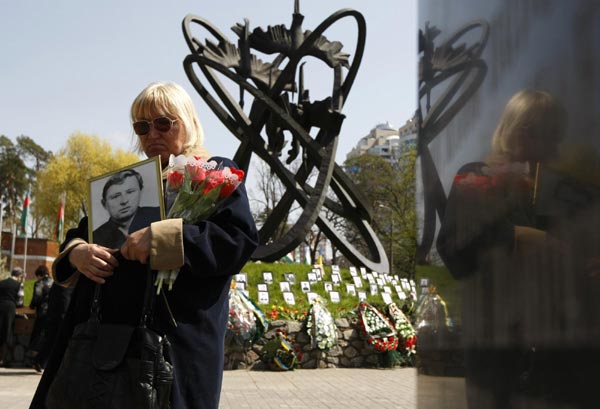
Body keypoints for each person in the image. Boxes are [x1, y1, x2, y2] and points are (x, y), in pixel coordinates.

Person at [29, 81, 259, 409]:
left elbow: (237, 240)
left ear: (189, 122)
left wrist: (165, 239)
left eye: (164, 122)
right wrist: (79, 253)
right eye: (142, 126)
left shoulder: (212, 173)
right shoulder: (123, 183)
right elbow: (77, 236)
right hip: (101, 347)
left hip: (173, 349)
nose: (152, 133)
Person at [436, 89, 570, 407]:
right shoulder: (477, 175)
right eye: (551, 138)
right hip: (497, 349)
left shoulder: (544, 189)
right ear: (525, 132)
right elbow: (456, 247)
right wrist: (520, 237)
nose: (555, 150)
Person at [93, 168, 160, 248]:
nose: (124, 201)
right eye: (115, 196)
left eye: (130, 192)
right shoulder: (96, 238)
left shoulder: (159, 215)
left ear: (140, 192)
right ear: (104, 204)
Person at [27, 265, 54, 371]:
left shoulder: (39, 283)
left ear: (39, 274)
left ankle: (34, 360)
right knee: (48, 336)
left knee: (37, 335)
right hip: (53, 312)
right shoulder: (54, 282)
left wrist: (32, 306)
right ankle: (42, 361)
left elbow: (37, 298)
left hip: (42, 312)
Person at [0, 267, 25, 366]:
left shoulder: (2, 282)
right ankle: (2, 359)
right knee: (6, 332)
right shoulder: (19, 284)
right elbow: (20, 301)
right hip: (9, 308)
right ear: (19, 276)